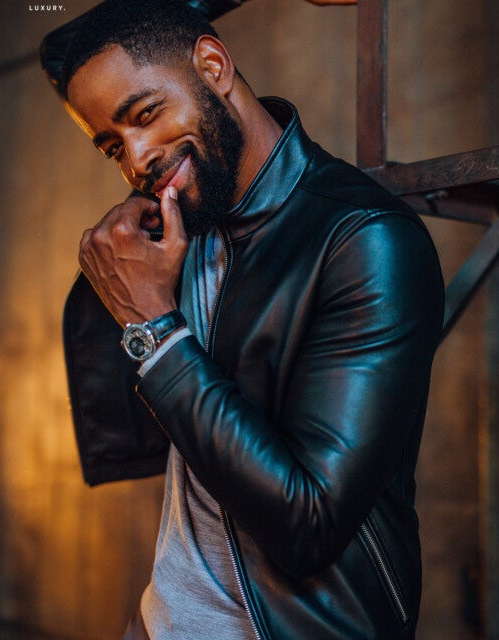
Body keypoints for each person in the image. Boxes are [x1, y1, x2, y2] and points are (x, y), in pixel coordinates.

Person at [43, 0, 444, 637]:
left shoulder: (363, 241)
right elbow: (57, 49)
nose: (137, 160)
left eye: (145, 114)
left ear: (213, 65)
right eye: (113, 146)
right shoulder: (180, 229)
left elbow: (309, 525)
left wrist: (155, 332)